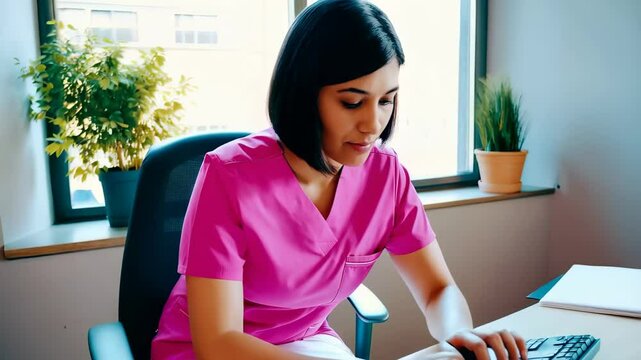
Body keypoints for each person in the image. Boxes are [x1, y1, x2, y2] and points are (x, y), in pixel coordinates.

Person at [151, 1, 528, 359]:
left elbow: (437, 289)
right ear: (303, 95)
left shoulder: (386, 175)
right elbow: (218, 342)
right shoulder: (229, 175)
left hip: (305, 340)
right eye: (352, 102)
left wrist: (457, 334)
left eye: (386, 101)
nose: (373, 125)